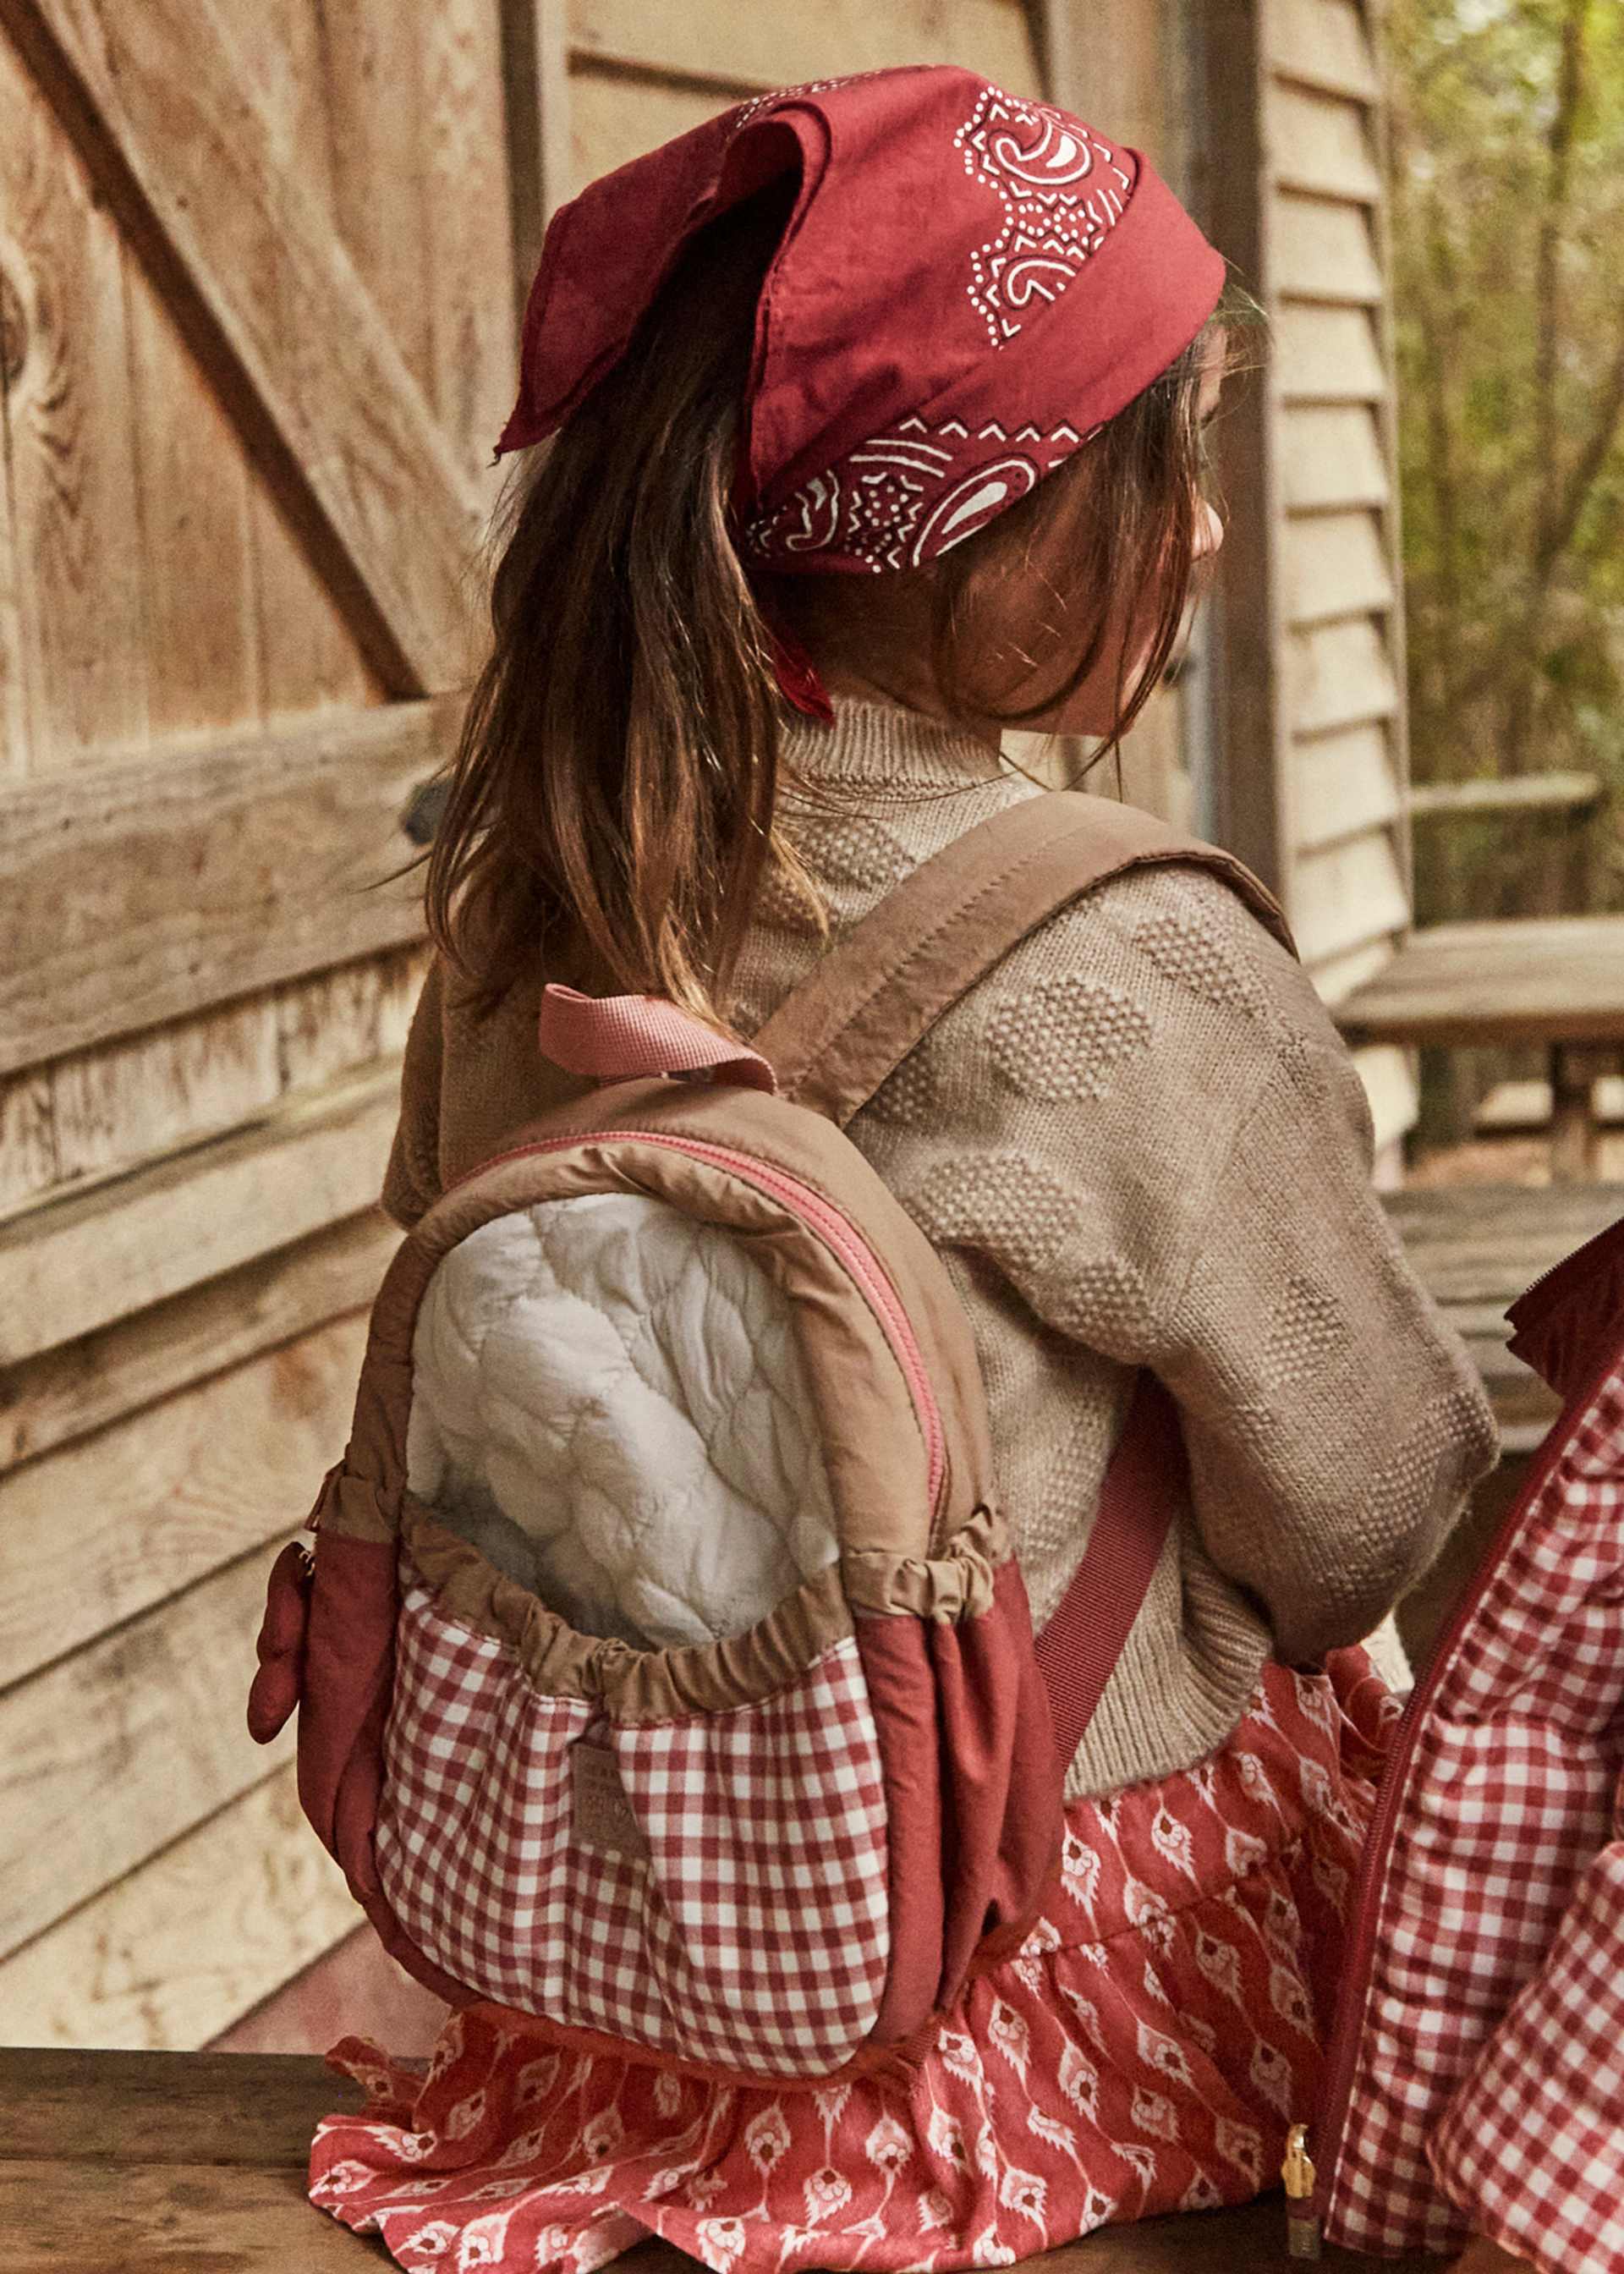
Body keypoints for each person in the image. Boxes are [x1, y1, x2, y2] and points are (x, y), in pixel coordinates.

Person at [308, 65, 1515, 2274]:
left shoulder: (543, 885)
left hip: (618, 1963)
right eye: (1175, 462)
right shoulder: (1119, 955)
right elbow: (1354, 1507)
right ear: (991, 522)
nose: (1218, 532)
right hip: (1023, 1983)